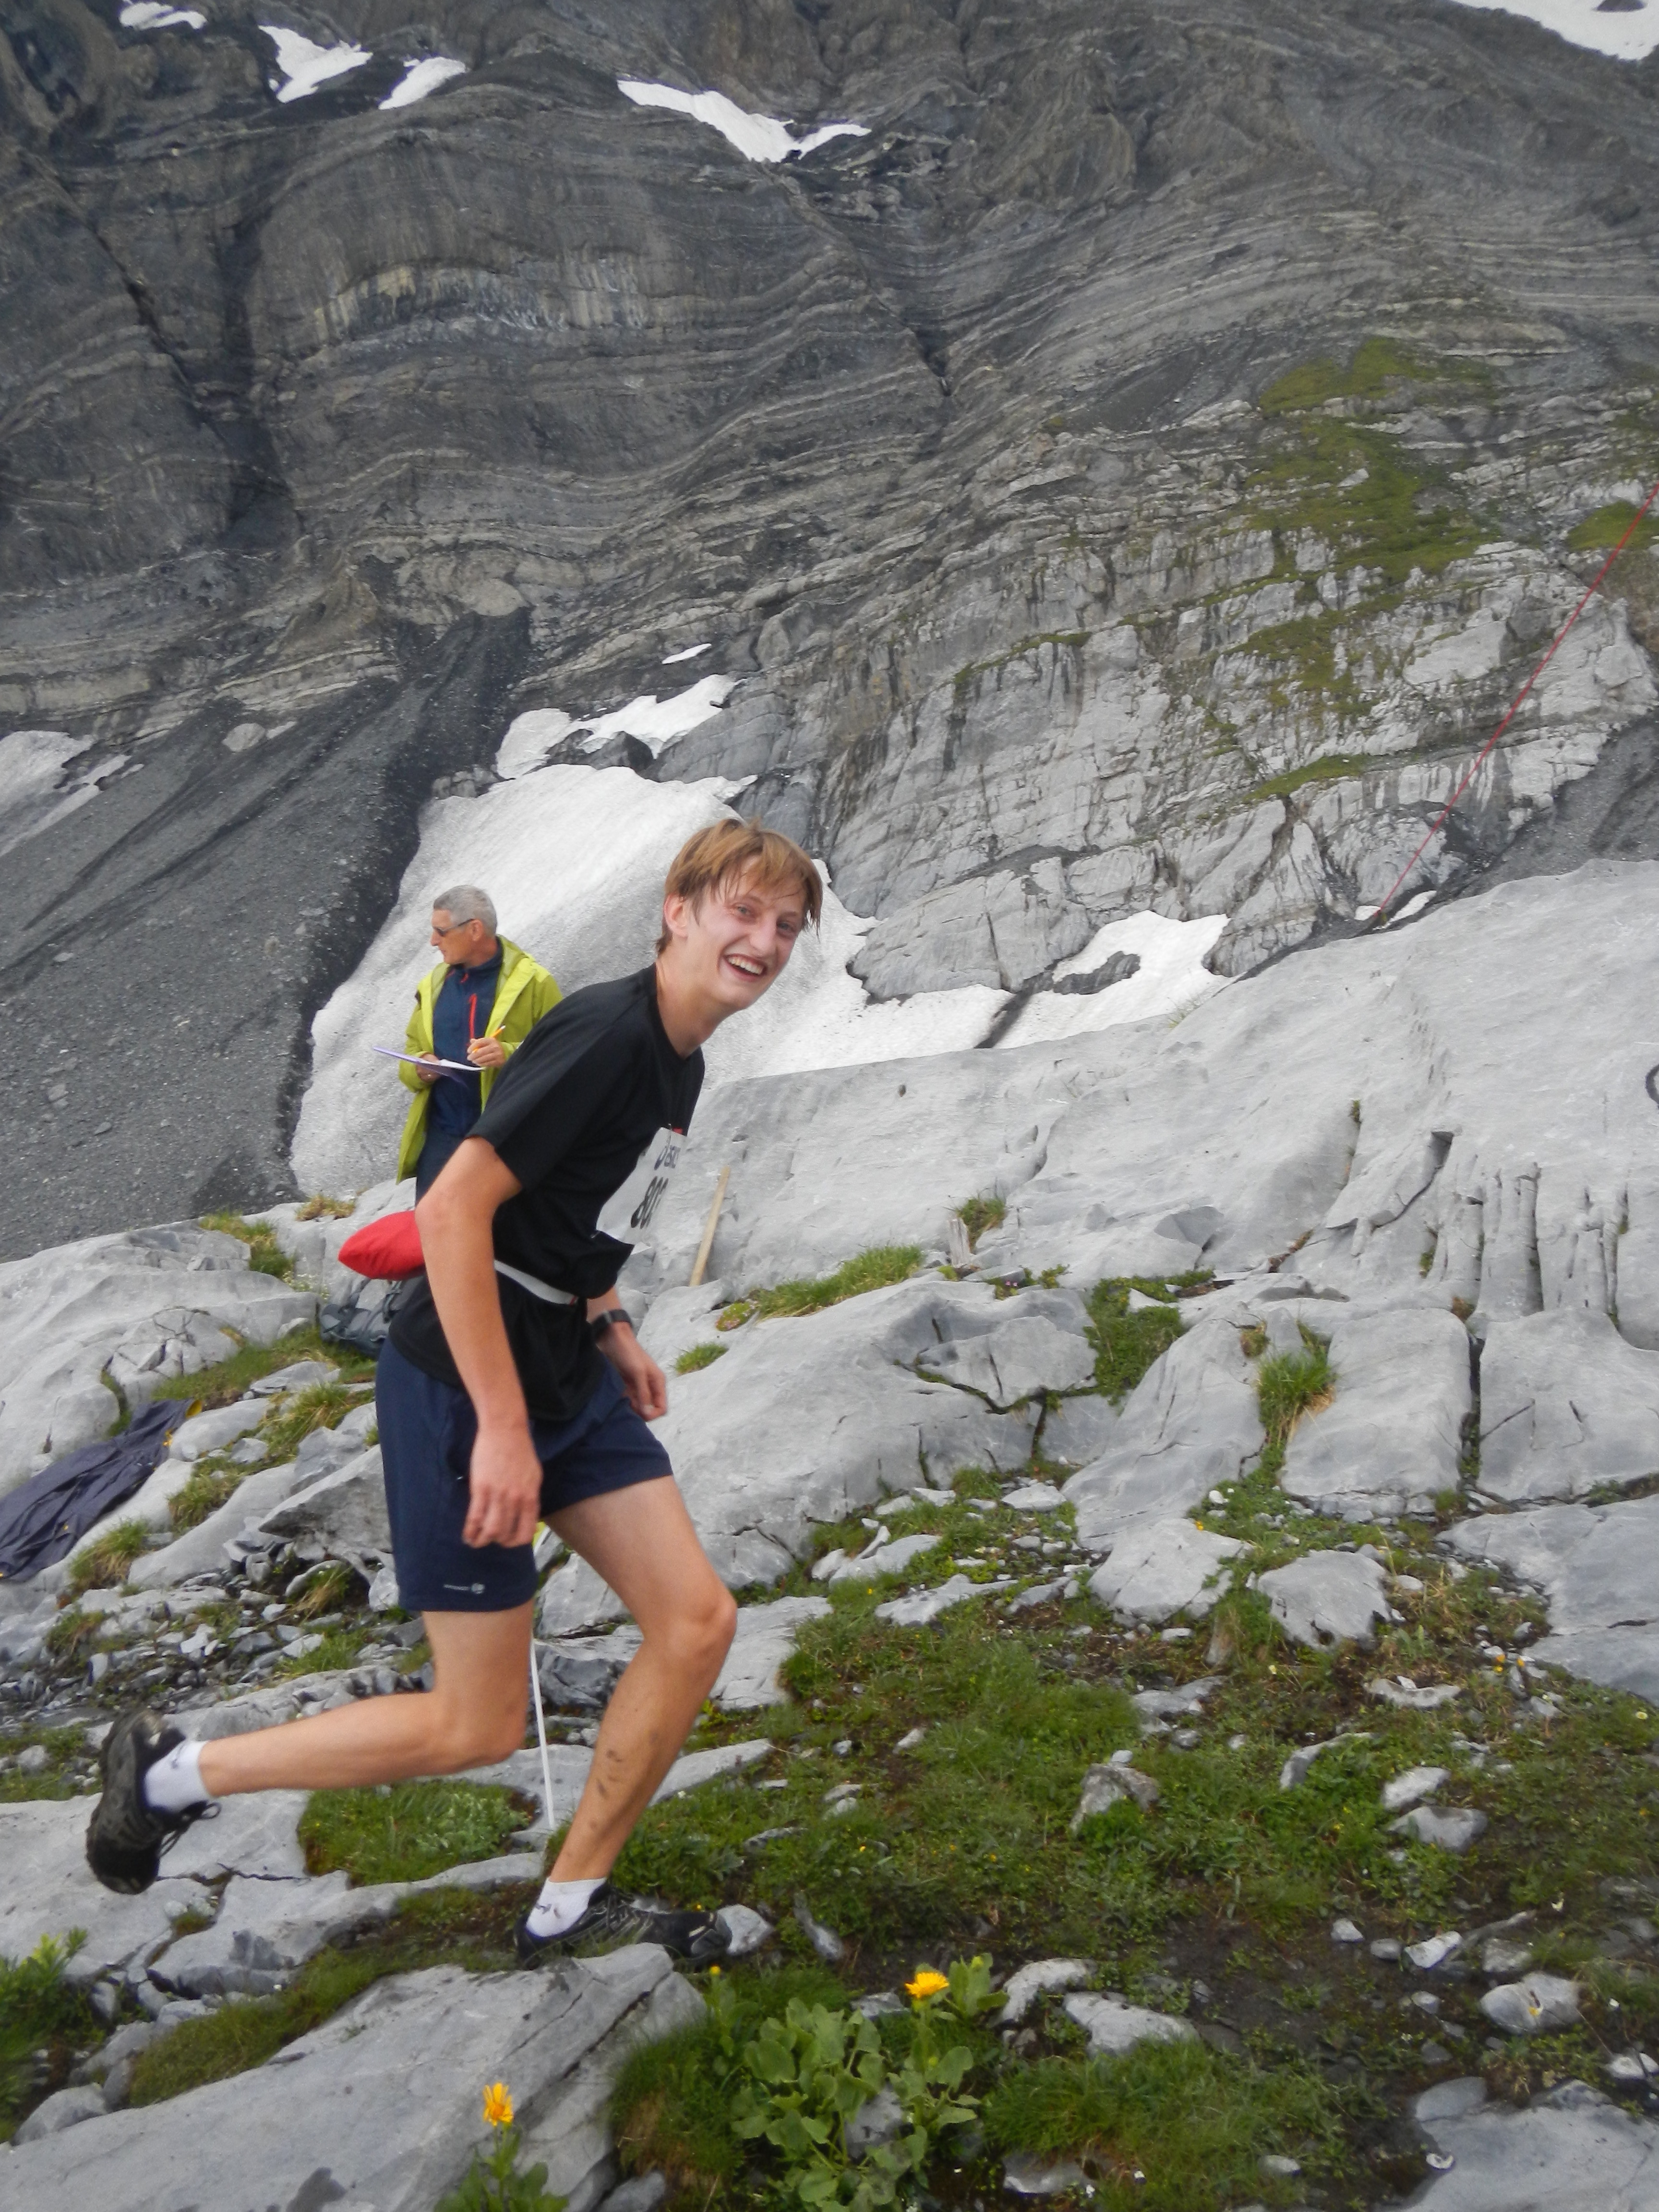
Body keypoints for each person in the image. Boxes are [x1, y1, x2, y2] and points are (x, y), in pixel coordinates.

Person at [85, 822, 823, 1966]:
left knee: (695, 1624)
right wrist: (502, 1429)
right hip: (464, 1384)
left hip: (562, 1365)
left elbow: (581, 1211)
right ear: (678, 910)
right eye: (743, 911)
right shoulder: (606, 1036)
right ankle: (169, 1775)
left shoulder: (679, 1055)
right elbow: (450, 1211)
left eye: (784, 924)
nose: (764, 942)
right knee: (473, 1724)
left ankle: (569, 1908)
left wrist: (610, 1320)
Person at [395, 887, 562, 1197]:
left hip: (505, 1142)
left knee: (499, 1228)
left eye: (441, 932)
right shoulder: (433, 986)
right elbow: (410, 1052)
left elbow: (565, 1056)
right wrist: (419, 1068)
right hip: (441, 1143)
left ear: (474, 930)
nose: (433, 941)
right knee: (432, 1225)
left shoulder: (536, 983)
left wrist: (508, 1054)